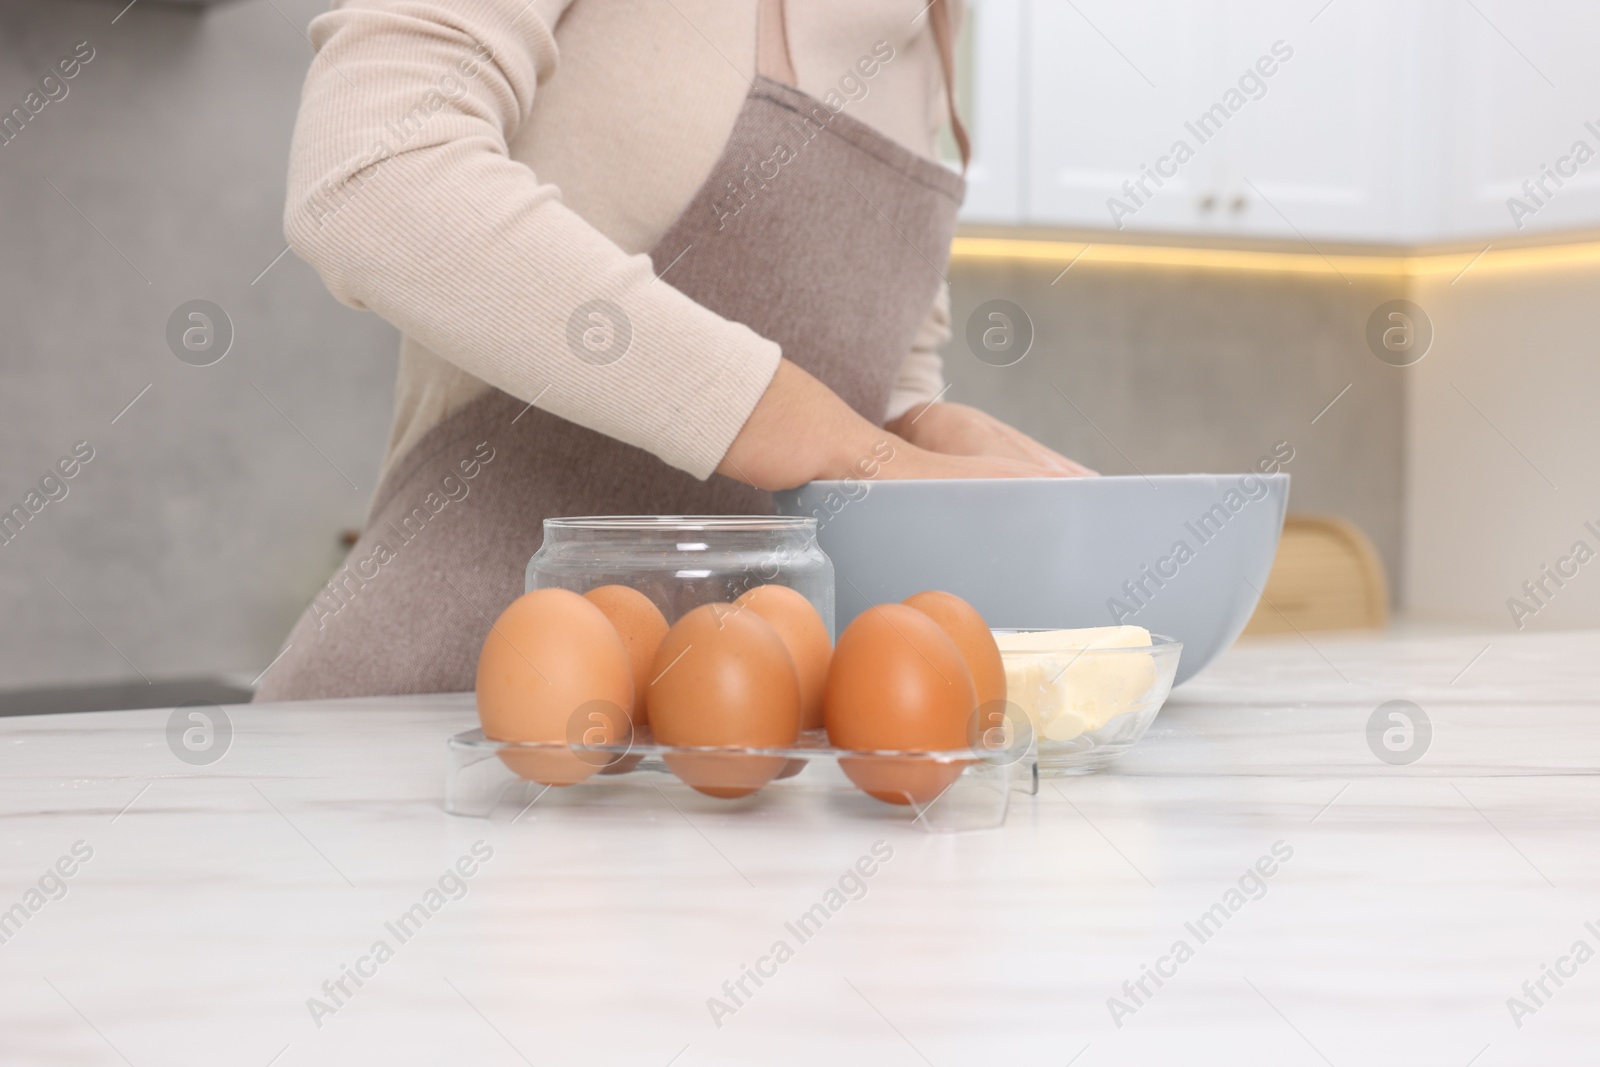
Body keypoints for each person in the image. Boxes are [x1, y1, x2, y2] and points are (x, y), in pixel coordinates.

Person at [256, 0, 1092, 702]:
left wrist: (924, 429)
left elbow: (876, 367)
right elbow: (372, 170)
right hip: (427, 730)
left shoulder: (933, 29)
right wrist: (849, 445)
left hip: (732, 778)